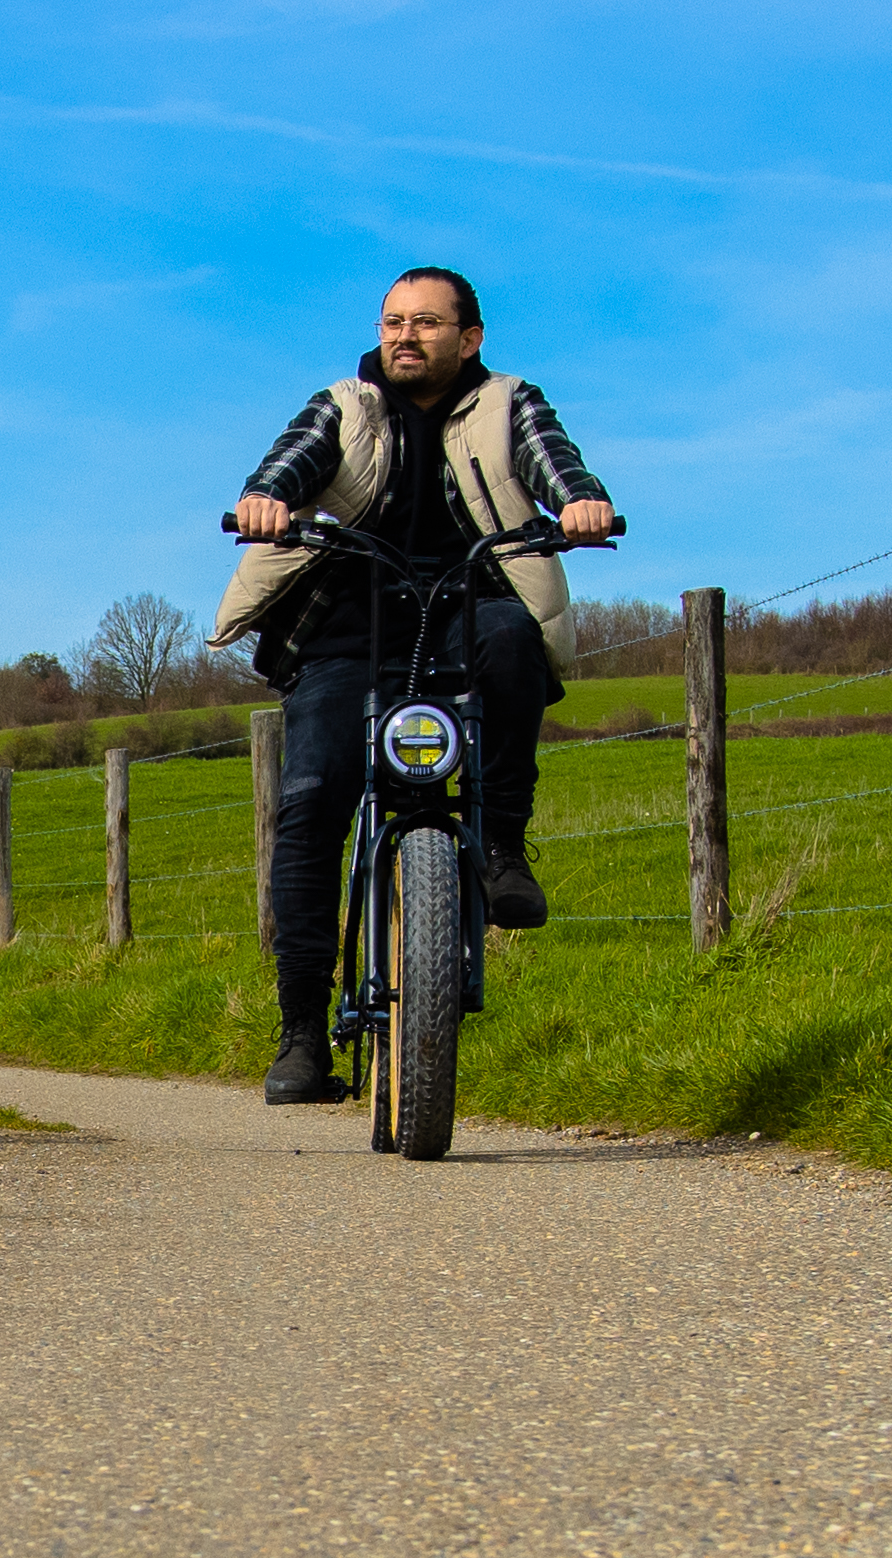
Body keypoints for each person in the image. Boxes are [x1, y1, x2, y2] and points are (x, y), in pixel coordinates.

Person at [215, 267, 618, 1105]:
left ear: (468, 338)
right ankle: (301, 1030)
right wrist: (265, 499)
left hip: (472, 600)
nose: (405, 335)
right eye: (393, 321)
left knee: (514, 640)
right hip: (348, 619)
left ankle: (501, 847)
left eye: (427, 323)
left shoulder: (507, 402)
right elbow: (292, 460)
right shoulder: (346, 404)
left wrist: (581, 502)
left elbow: (552, 461)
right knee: (311, 800)